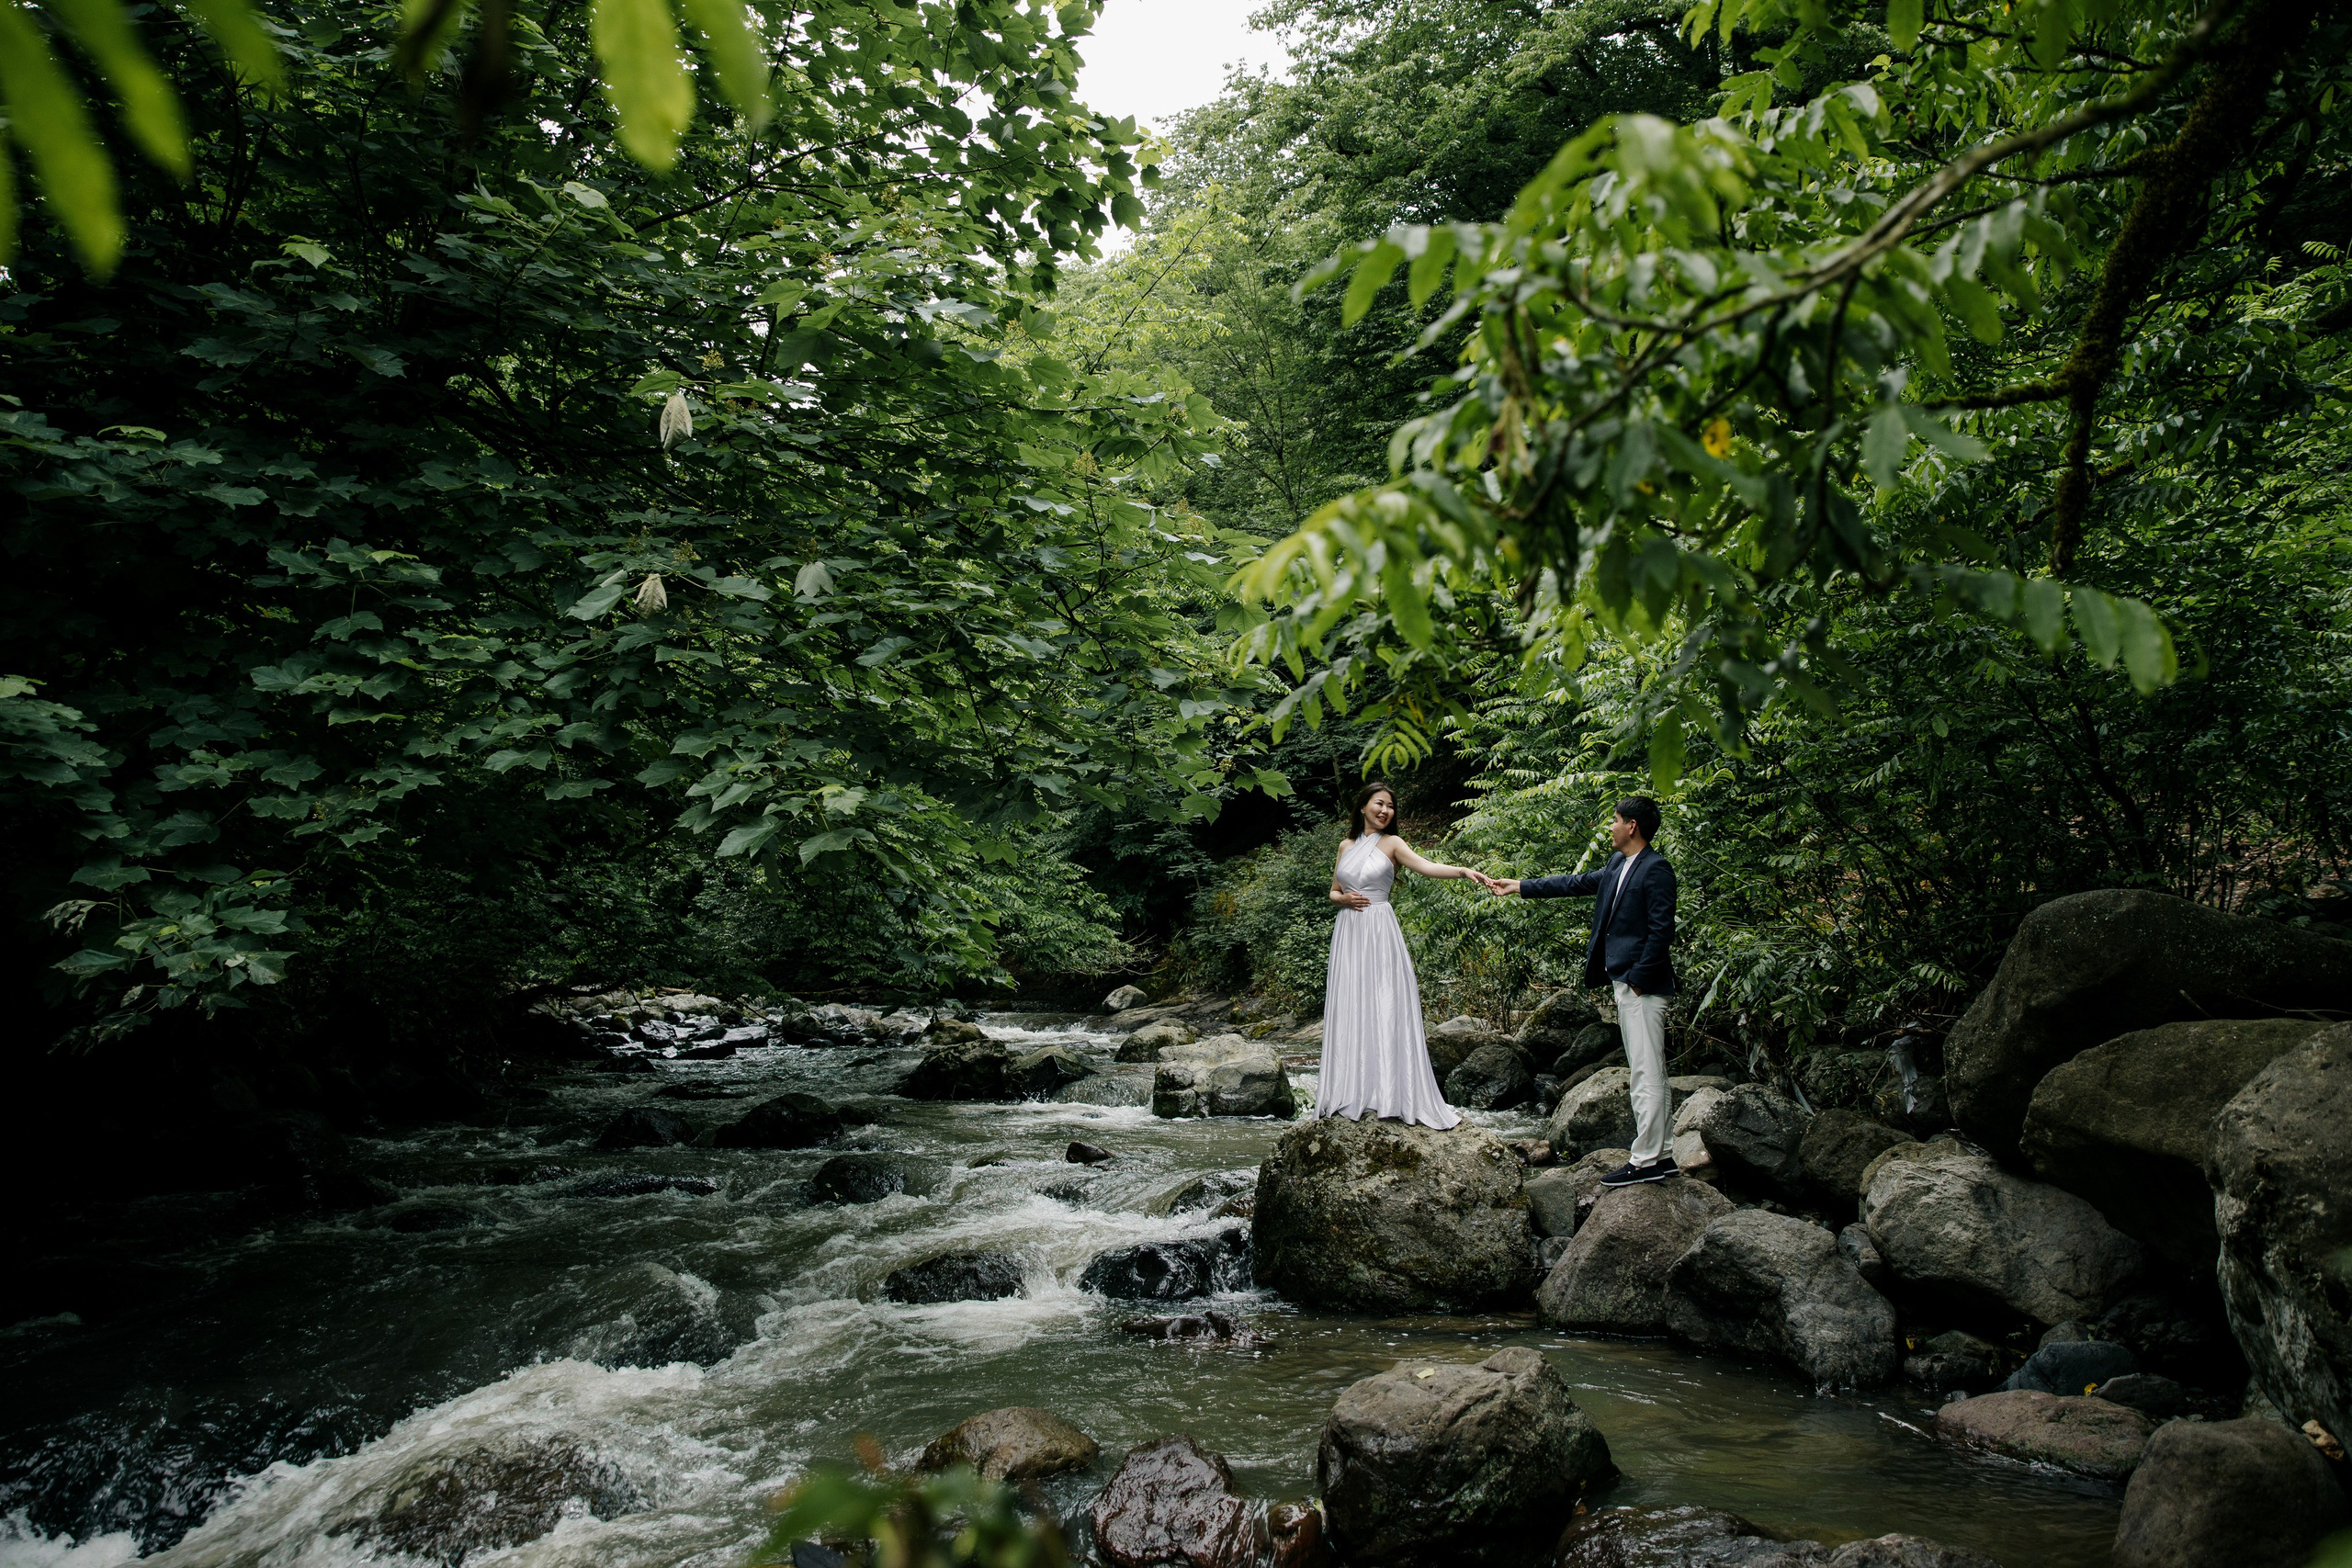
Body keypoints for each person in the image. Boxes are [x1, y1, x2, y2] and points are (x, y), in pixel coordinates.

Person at [1481, 797, 1679, 1186]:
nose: (1611, 826)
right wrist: (1518, 886)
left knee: (1645, 1072)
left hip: (1642, 986)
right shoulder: (1618, 865)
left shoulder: (1656, 869)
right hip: (1627, 982)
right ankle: (1665, 1154)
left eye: (1616, 820)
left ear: (1632, 826)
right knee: (1648, 1068)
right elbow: (1574, 883)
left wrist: (1637, 978)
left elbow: (1662, 931)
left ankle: (1646, 1162)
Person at [1316, 781, 1487, 1128]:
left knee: (1385, 1002)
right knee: (1354, 1003)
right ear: (1363, 806)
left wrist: (1463, 871)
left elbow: (1426, 866)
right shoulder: (1345, 845)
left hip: (1380, 929)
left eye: (1390, 806)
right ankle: (1353, 1090)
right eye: (1379, 804)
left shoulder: (1392, 843)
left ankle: (1392, 1092)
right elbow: (1334, 891)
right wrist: (1343, 899)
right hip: (1349, 931)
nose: (1385, 810)